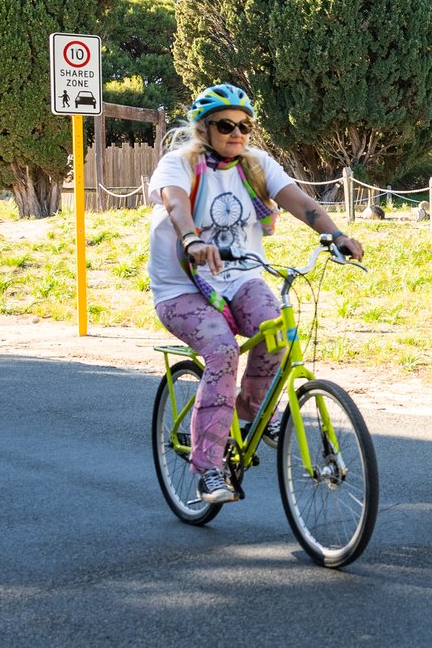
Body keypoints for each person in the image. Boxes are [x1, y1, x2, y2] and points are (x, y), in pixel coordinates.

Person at [148, 83, 364, 504]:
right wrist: (192, 240)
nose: (238, 133)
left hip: (241, 277)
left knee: (277, 330)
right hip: (181, 286)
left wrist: (335, 234)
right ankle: (208, 467)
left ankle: (253, 410)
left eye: (245, 125)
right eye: (226, 125)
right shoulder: (180, 165)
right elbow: (175, 203)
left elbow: (301, 203)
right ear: (204, 129)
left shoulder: (257, 165)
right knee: (223, 350)